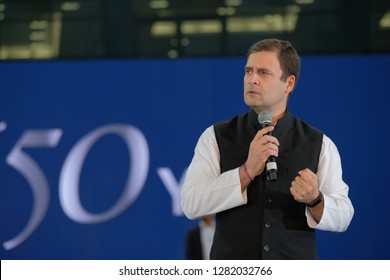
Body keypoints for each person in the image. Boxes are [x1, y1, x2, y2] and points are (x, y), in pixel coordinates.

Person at [180, 38, 354, 260]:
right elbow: (191, 203)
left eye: (264, 73)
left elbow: (344, 216)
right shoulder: (215, 136)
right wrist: (246, 172)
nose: (252, 79)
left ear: (289, 84)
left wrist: (315, 199)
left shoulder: (319, 143)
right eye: (248, 71)